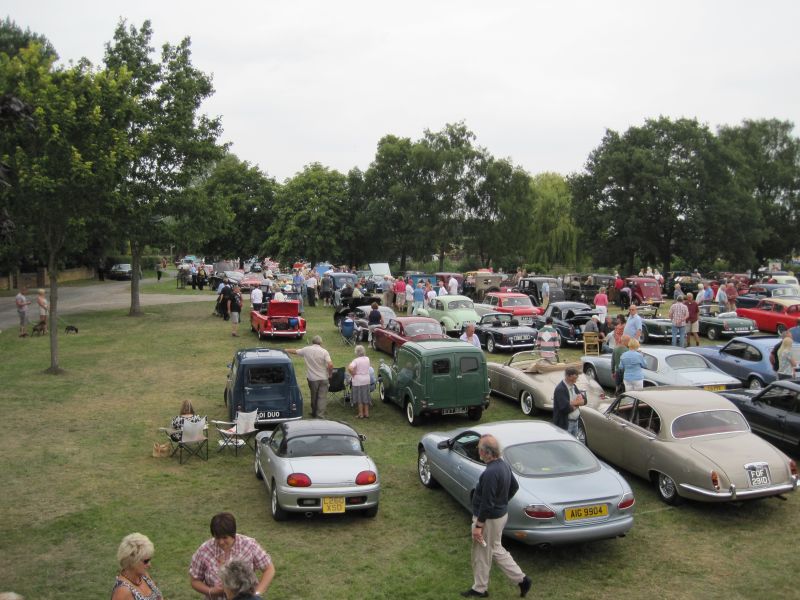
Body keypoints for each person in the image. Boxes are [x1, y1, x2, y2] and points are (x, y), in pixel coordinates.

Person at [462, 434, 531, 599]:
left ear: (487, 453)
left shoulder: (491, 472)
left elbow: (487, 503)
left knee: (481, 552)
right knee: (495, 549)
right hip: (499, 516)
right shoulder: (503, 465)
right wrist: (502, 503)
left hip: (489, 520)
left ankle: (480, 589)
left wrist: (479, 526)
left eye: (479, 449)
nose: (477, 451)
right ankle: (522, 580)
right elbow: (513, 487)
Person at [189, 512, 275, 600]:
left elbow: (269, 569)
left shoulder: (249, 545)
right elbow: (195, 580)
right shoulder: (204, 551)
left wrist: (257, 594)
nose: (221, 542)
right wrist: (212, 591)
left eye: (225, 537)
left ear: (233, 534)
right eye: (217, 538)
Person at [287, 336, 334, 418]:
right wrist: (330, 374)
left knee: (314, 396)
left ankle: (314, 412)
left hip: (312, 378)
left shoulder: (306, 349)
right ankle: (320, 415)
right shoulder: (324, 351)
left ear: (313, 342)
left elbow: (295, 351)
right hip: (323, 377)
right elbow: (330, 364)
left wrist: (285, 350)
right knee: (322, 397)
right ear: (321, 343)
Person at [112, 532, 163, 600]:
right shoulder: (123, 591)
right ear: (132, 561)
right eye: (146, 561)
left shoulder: (144, 576)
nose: (149, 565)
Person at [552, 366, 586, 436]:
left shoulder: (573, 386)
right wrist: (578, 403)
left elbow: (585, 400)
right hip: (565, 424)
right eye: (574, 377)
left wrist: (573, 403)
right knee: (565, 444)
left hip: (575, 422)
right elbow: (565, 408)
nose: (576, 379)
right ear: (568, 376)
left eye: (576, 377)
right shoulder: (560, 389)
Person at [348, 345, 372, 419]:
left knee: (359, 398)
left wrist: (353, 374)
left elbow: (350, 368)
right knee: (366, 397)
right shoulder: (367, 359)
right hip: (366, 379)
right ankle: (367, 414)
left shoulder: (356, 360)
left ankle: (361, 414)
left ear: (356, 352)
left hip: (358, 381)